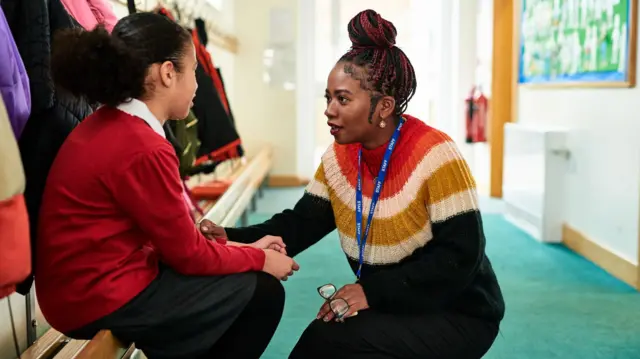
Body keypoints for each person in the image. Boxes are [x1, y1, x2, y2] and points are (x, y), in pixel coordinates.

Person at [202, 9, 505, 359]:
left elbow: (459, 257)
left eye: (342, 99)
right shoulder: (339, 158)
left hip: (458, 311)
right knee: (325, 341)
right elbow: (298, 225)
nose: (329, 110)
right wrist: (229, 237)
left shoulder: (436, 155)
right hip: (395, 299)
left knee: (326, 344)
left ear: (383, 107)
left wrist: (371, 293)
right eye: (327, 98)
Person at [35, 12, 298, 359]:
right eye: (194, 71)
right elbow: (188, 256)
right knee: (262, 293)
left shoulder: (113, 123)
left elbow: (175, 242)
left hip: (80, 290)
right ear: (168, 73)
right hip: (94, 297)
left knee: (235, 287)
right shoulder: (143, 145)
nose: (198, 85)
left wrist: (239, 249)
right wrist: (259, 259)